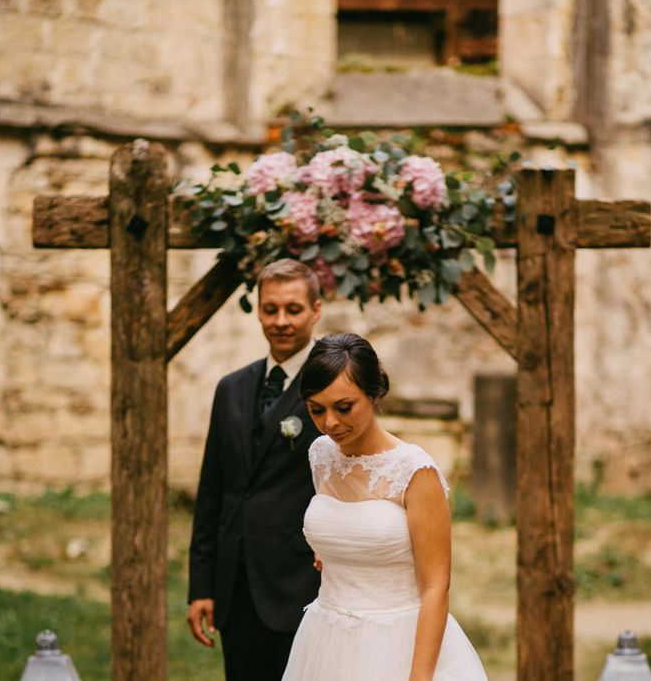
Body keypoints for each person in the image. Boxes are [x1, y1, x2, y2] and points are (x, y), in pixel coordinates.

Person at [282, 333, 488, 681]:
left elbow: (436, 586)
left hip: (397, 643)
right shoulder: (320, 455)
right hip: (327, 637)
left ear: (374, 393)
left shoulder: (414, 471)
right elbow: (337, 530)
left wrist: (419, 677)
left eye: (344, 407)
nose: (330, 422)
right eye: (317, 409)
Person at [187, 259, 323, 680]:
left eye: (293, 309)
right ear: (259, 310)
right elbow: (213, 490)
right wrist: (202, 586)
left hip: (302, 584)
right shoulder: (231, 388)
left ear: (316, 310)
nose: (280, 321)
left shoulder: (333, 386)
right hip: (236, 586)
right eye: (270, 309)